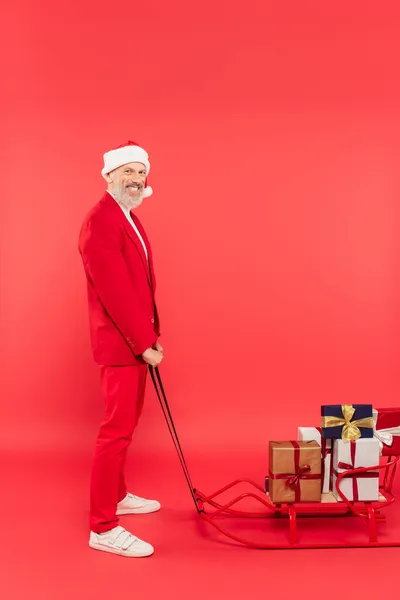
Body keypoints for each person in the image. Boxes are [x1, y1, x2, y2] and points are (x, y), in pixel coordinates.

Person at [78, 141, 164, 558]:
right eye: (126, 172)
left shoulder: (126, 216)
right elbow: (114, 292)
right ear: (108, 176)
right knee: (115, 433)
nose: (135, 179)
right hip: (120, 346)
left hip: (134, 342)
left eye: (140, 172)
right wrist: (143, 343)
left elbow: (138, 285)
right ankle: (103, 526)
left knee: (125, 427)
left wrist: (149, 336)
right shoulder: (102, 222)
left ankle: (118, 496)